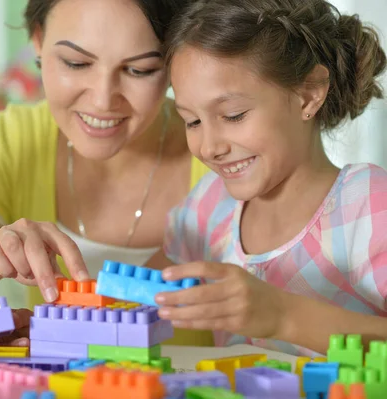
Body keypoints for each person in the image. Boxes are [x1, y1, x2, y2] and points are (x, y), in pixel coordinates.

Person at [0, 0, 213, 349]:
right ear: (37, 40)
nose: (104, 100)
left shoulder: (219, 147)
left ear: (172, 62)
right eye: (76, 63)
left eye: (139, 70)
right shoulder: (17, 143)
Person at [155, 0, 387, 356]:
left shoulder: (368, 207)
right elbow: (133, 294)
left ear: (308, 94)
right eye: (193, 121)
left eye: (233, 115)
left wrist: (283, 316)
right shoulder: (209, 206)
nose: (210, 146)